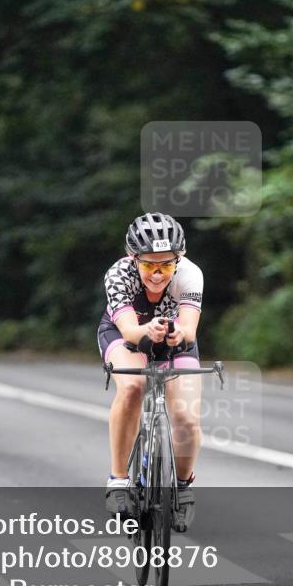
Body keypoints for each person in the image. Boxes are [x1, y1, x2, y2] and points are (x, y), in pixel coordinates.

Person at [98, 212, 204, 531]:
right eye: (148, 265)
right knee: (131, 387)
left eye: (166, 265)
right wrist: (147, 330)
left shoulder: (190, 274)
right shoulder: (119, 274)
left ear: (179, 260)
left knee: (186, 417)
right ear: (134, 259)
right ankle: (118, 481)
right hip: (124, 336)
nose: (157, 274)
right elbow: (130, 331)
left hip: (173, 340)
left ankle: (182, 490)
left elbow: (190, 329)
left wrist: (178, 335)